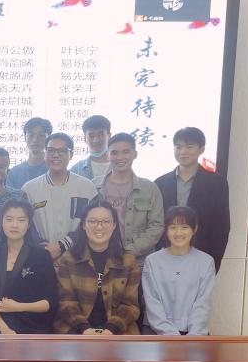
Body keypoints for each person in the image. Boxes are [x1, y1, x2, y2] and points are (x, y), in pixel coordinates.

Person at [53, 200, 141, 335]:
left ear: (114, 225)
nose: (99, 227)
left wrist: (111, 329)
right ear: (84, 225)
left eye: (106, 221)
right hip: (76, 329)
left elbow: (130, 306)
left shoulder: (128, 261)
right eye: (93, 221)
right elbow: (66, 302)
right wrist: (84, 328)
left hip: (118, 330)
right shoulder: (68, 259)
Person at [154, 127, 230, 272]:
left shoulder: (216, 183)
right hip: (165, 256)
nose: (183, 151)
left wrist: (213, 263)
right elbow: (156, 223)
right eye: (178, 147)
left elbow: (221, 227)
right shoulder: (160, 183)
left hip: (201, 256)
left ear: (201, 149)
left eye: (189, 146)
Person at [21, 133, 97, 260]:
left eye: (62, 151)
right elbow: (27, 225)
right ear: (45, 153)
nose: (56, 155)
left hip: (78, 258)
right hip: (42, 257)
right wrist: (46, 249)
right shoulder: (29, 189)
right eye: (51, 150)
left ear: (71, 154)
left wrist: (61, 246)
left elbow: (92, 222)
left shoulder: (87, 188)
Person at [0, 200, 57, 334]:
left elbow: (49, 302)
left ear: (29, 224)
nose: (14, 225)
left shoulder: (41, 256)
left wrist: (18, 307)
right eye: (9, 219)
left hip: (34, 327)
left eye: (21, 220)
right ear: (2, 222)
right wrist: (5, 330)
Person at [143, 206, 216, 336]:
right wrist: (172, 336)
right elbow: (152, 302)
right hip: (156, 331)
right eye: (173, 227)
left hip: (194, 332)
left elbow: (203, 303)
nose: (178, 233)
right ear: (166, 230)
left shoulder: (206, 261)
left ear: (194, 229)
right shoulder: (152, 261)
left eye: (184, 227)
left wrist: (193, 336)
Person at [93, 133, 164, 260]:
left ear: (135, 154)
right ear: (108, 155)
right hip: (101, 259)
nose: (120, 157)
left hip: (139, 262)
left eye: (126, 152)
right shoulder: (94, 186)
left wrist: (131, 251)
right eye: (114, 153)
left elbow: (156, 226)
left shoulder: (149, 188)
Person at [6, 117, 52, 190]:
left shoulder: (54, 170)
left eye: (41, 135)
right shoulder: (14, 173)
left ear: (49, 139)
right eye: (31, 135)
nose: (35, 140)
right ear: (25, 138)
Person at [70, 115, 112, 180]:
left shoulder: (121, 166)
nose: (96, 140)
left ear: (109, 136)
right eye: (91, 136)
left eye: (100, 135)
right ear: (85, 139)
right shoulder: (75, 170)